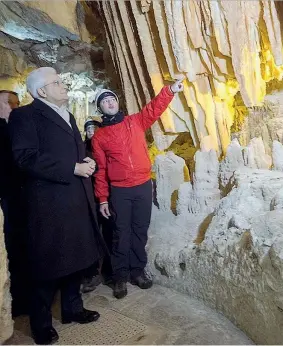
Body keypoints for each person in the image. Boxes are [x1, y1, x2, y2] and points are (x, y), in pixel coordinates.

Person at [8, 67, 106, 345]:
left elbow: (75, 150)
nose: (63, 86)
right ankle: (40, 324)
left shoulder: (68, 115)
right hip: (49, 202)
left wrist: (87, 161)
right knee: (48, 263)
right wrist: (72, 168)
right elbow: (25, 157)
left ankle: (72, 309)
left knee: (76, 256)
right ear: (41, 91)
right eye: (57, 83)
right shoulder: (24, 116)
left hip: (76, 197)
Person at [92, 78, 184, 299]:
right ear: (100, 108)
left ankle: (137, 271)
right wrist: (103, 198)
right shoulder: (99, 137)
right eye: (104, 101)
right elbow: (101, 170)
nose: (109, 103)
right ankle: (120, 277)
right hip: (120, 190)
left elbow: (154, 108)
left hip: (142, 185)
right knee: (120, 233)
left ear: (117, 102)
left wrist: (169, 90)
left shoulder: (135, 122)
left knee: (140, 230)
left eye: (111, 99)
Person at [0, 90, 28, 317]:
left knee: (21, 247)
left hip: (20, 197)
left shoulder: (17, 128)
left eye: (16, 103)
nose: (14, 106)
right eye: (9, 103)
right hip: (6, 199)